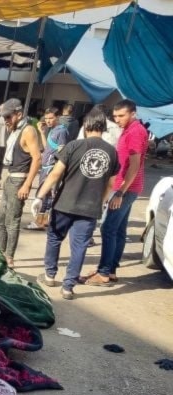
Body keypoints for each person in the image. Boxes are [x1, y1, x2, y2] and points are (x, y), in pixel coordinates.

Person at [34, 108, 120, 299]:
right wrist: (101, 201)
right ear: (103, 127)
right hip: (90, 208)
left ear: (86, 125)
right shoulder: (112, 152)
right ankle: (68, 287)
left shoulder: (73, 146)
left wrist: (40, 196)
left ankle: (50, 275)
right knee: (79, 246)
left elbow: (55, 174)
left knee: (55, 237)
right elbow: (111, 184)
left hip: (65, 203)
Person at [84, 99, 149, 286]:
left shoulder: (135, 131)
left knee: (108, 228)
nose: (118, 120)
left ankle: (104, 272)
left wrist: (120, 192)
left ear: (133, 114)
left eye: (122, 116)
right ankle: (110, 270)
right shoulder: (129, 130)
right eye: (115, 116)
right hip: (126, 187)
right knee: (119, 230)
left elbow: (135, 165)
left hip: (125, 189)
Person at [0, 98, 42, 268]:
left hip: (19, 179)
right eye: (4, 118)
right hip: (11, 178)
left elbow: (37, 158)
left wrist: (27, 184)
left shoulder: (28, 130)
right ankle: (0, 251)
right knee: (1, 219)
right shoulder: (14, 130)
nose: (6, 120)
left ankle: (9, 257)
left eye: (8, 117)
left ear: (19, 114)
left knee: (12, 221)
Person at [28, 107, 69, 229]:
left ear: (57, 117)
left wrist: (56, 169)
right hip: (46, 166)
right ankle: (42, 220)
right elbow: (48, 148)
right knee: (45, 194)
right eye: (46, 118)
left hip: (51, 167)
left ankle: (41, 221)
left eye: (51, 118)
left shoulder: (61, 131)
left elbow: (62, 150)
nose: (48, 120)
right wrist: (41, 132)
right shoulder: (52, 130)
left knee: (47, 194)